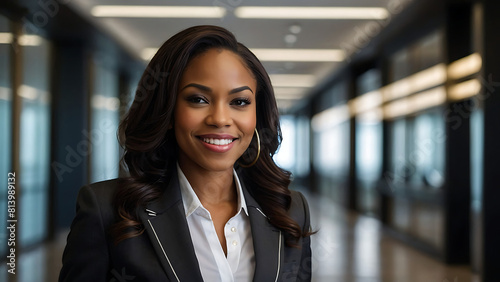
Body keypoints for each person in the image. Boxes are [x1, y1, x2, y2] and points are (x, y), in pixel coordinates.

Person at [59, 25, 313, 282]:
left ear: (257, 115)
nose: (220, 119)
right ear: (167, 111)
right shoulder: (106, 210)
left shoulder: (290, 211)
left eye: (239, 102)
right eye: (198, 99)